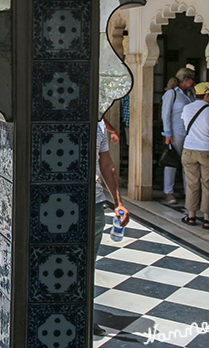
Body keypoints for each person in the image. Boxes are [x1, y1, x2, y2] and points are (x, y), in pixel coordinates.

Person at [92, 118, 131, 337]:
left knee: (88, 264)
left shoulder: (99, 125)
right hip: (58, 204)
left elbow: (106, 165)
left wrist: (118, 203)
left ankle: (84, 313)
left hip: (94, 203)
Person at [160, 64, 196, 204]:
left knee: (188, 164)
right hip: (176, 133)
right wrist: (168, 134)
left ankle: (190, 193)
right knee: (172, 162)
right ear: (186, 79)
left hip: (190, 132)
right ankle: (169, 192)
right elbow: (166, 114)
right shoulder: (172, 94)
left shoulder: (191, 94)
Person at [180, 82, 209, 230]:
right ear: (207, 95)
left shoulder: (187, 108)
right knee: (208, 185)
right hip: (207, 150)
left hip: (188, 149)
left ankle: (191, 215)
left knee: (192, 183)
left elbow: (184, 125)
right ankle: (207, 218)